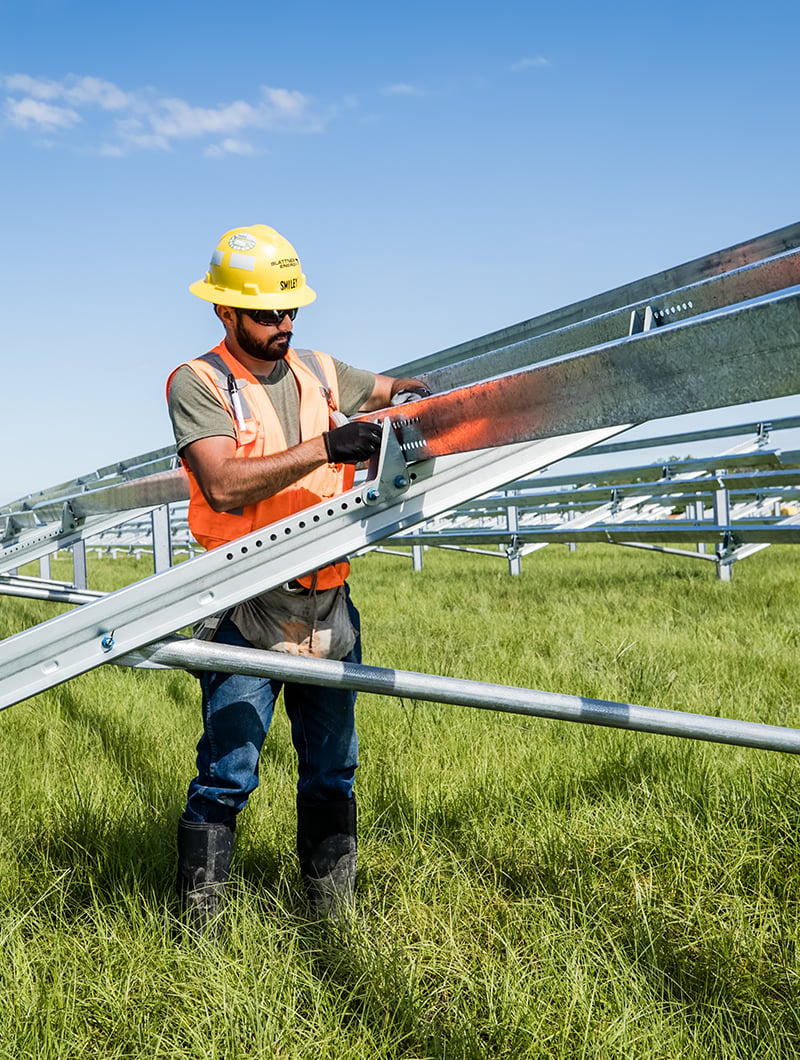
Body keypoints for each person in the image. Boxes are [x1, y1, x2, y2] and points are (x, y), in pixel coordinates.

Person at [166, 224, 429, 933]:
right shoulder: (198, 383)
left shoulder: (318, 368)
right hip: (245, 609)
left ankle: (330, 918)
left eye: (290, 311)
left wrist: (417, 400)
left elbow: (393, 388)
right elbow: (221, 484)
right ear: (225, 312)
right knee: (228, 776)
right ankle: (200, 937)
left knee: (332, 772)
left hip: (327, 608)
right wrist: (326, 446)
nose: (282, 325)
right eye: (265, 314)